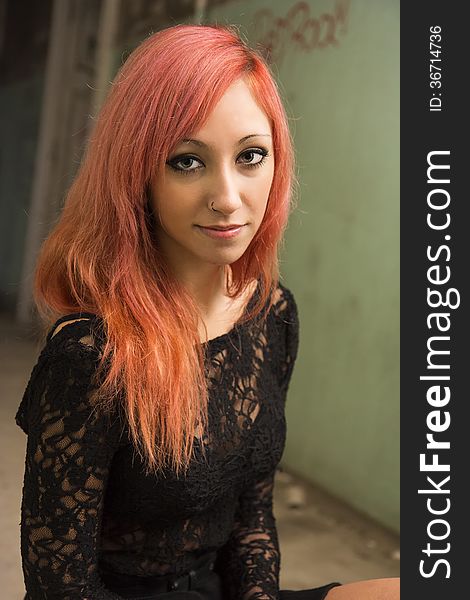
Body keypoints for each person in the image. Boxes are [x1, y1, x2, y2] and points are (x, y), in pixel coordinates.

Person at [16, 24, 399, 600]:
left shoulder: (272, 315)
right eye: (187, 162)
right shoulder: (91, 354)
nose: (227, 196)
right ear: (136, 175)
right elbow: (59, 586)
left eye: (250, 156)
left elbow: (252, 518)